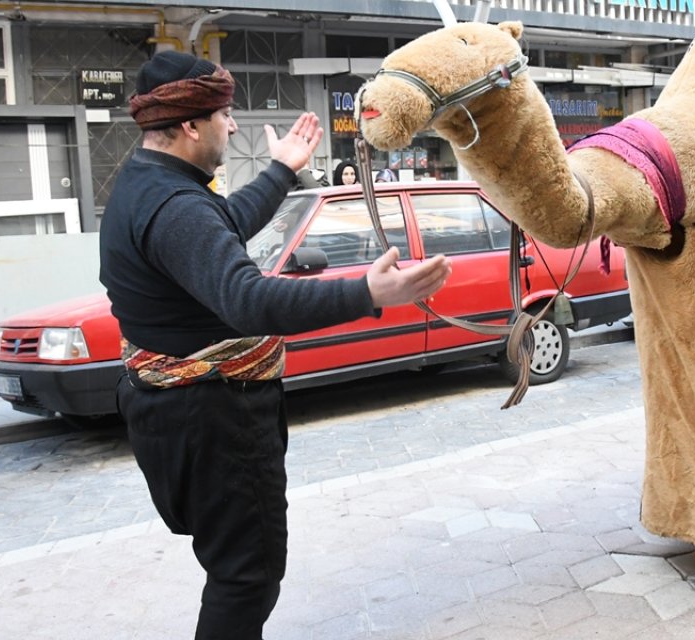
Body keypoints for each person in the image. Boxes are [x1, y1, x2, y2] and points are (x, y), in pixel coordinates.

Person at [98, 51, 451, 639]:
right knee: (247, 577)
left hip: (180, 413)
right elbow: (247, 299)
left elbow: (223, 223)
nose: (231, 127)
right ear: (190, 125)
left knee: (235, 568)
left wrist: (282, 170)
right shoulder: (175, 205)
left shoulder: (149, 183)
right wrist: (367, 291)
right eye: (223, 115)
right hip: (211, 418)